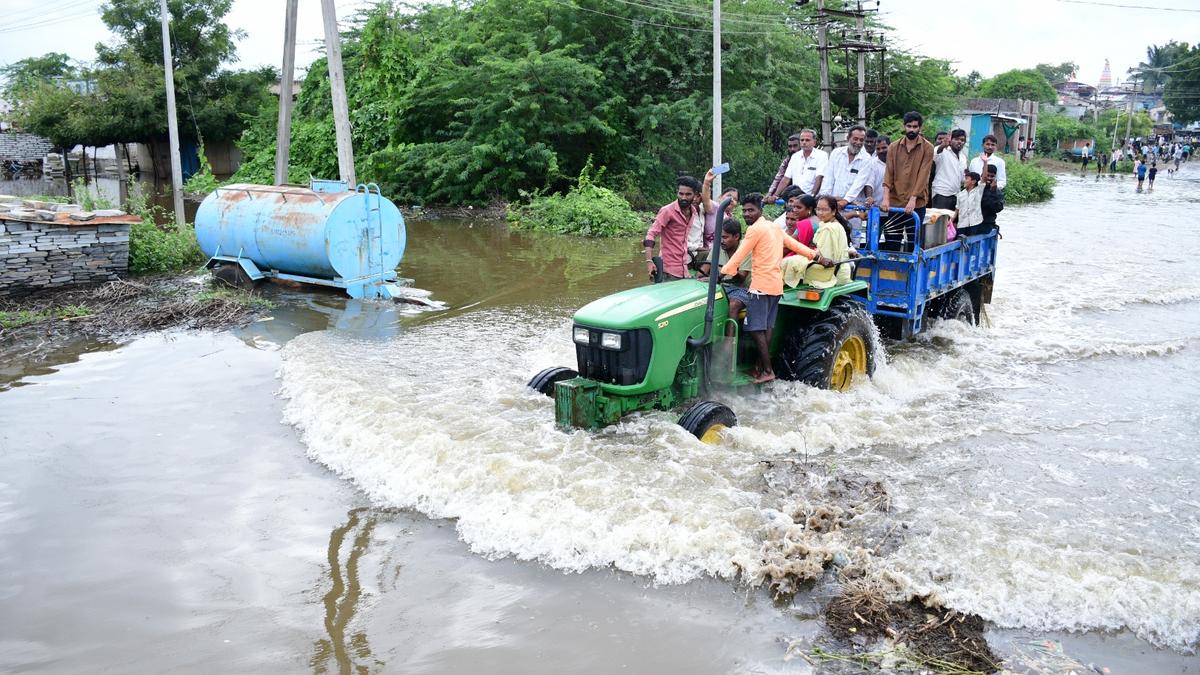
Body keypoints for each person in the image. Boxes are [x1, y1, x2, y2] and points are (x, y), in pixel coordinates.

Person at [719, 193, 828, 384]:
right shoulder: (773, 227)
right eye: (744, 210)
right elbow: (795, 245)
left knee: (754, 328)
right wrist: (818, 257)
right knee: (767, 328)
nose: (746, 214)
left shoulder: (755, 230)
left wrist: (722, 274)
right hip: (775, 286)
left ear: (760, 210)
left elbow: (740, 254)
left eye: (751, 210)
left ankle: (768, 370)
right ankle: (758, 368)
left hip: (761, 286)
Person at [880, 111, 935, 249]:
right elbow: (889, 173)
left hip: (917, 203)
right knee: (892, 242)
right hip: (895, 201)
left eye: (915, 126)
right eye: (909, 126)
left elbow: (924, 175)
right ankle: (892, 270)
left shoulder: (928, 148)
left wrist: (913, 198)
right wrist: (885, 198)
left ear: (920, 128)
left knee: (913, 244)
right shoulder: (893, 147)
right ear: (904, 126)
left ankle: (913, 270)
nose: (912, 129)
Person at [644, 175, 703, 281]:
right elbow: (651, 234)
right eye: (681, 194)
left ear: (695, 195)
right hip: (667, 270)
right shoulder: (667, 211)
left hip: (683, 269)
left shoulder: (693, 211)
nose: (684, 197)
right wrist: (649, 261)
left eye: (688, 194)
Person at [793, 195, 853, 289]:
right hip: (840, 270)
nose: (820, 213)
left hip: (830, 272)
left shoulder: (829, 229)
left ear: (833, 211)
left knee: (789, 264)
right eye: (818, 209)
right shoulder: (832, 225)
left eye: (824, 210)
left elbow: (826, 258)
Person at [778, 129, 828, 197]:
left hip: (813, 199)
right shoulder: (795, 157)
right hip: (796, 198)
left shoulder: (822, 155)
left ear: (814, 142)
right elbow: (786, 179)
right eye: (802, 140)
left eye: (807, 140)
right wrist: (775, 195)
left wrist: (812, 196)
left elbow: (819, 178)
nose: (804, 142)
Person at [931, 128, 968, 210]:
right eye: (956, 139)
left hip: (956, 195)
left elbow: (962, 178)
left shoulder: (963, 157)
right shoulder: (943, 151)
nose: (959, 142)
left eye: (962, 140)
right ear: (951, 140)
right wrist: (943, 145)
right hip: (941, 193)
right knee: (939, 222)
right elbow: (934, 153)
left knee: (951, 222)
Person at [767, 134, 802, 200]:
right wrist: (770, 194)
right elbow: (779, 178)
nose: (792, 149)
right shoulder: (787, 162)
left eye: (795, 146)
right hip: (791, 194)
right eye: (790, 146)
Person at [954, 171, 983, 236]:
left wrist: (985, 162)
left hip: (974, 224)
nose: (964, 180)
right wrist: (950, 221)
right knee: (961, 242)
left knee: (971, 242)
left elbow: (984, 178)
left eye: (967, 178)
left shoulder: (978, 191)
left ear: (973, 181)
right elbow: (957, 210)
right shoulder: (960, 194)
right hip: (962, 224)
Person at [977, 165, 1004, 236]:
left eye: (992, 176)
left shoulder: (997, 192)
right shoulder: (975, 188)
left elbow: (997, 209)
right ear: (982, 175)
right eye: (987, 175)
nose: (989, 178)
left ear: (995, 177)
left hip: (986, 224)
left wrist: (992, 192)